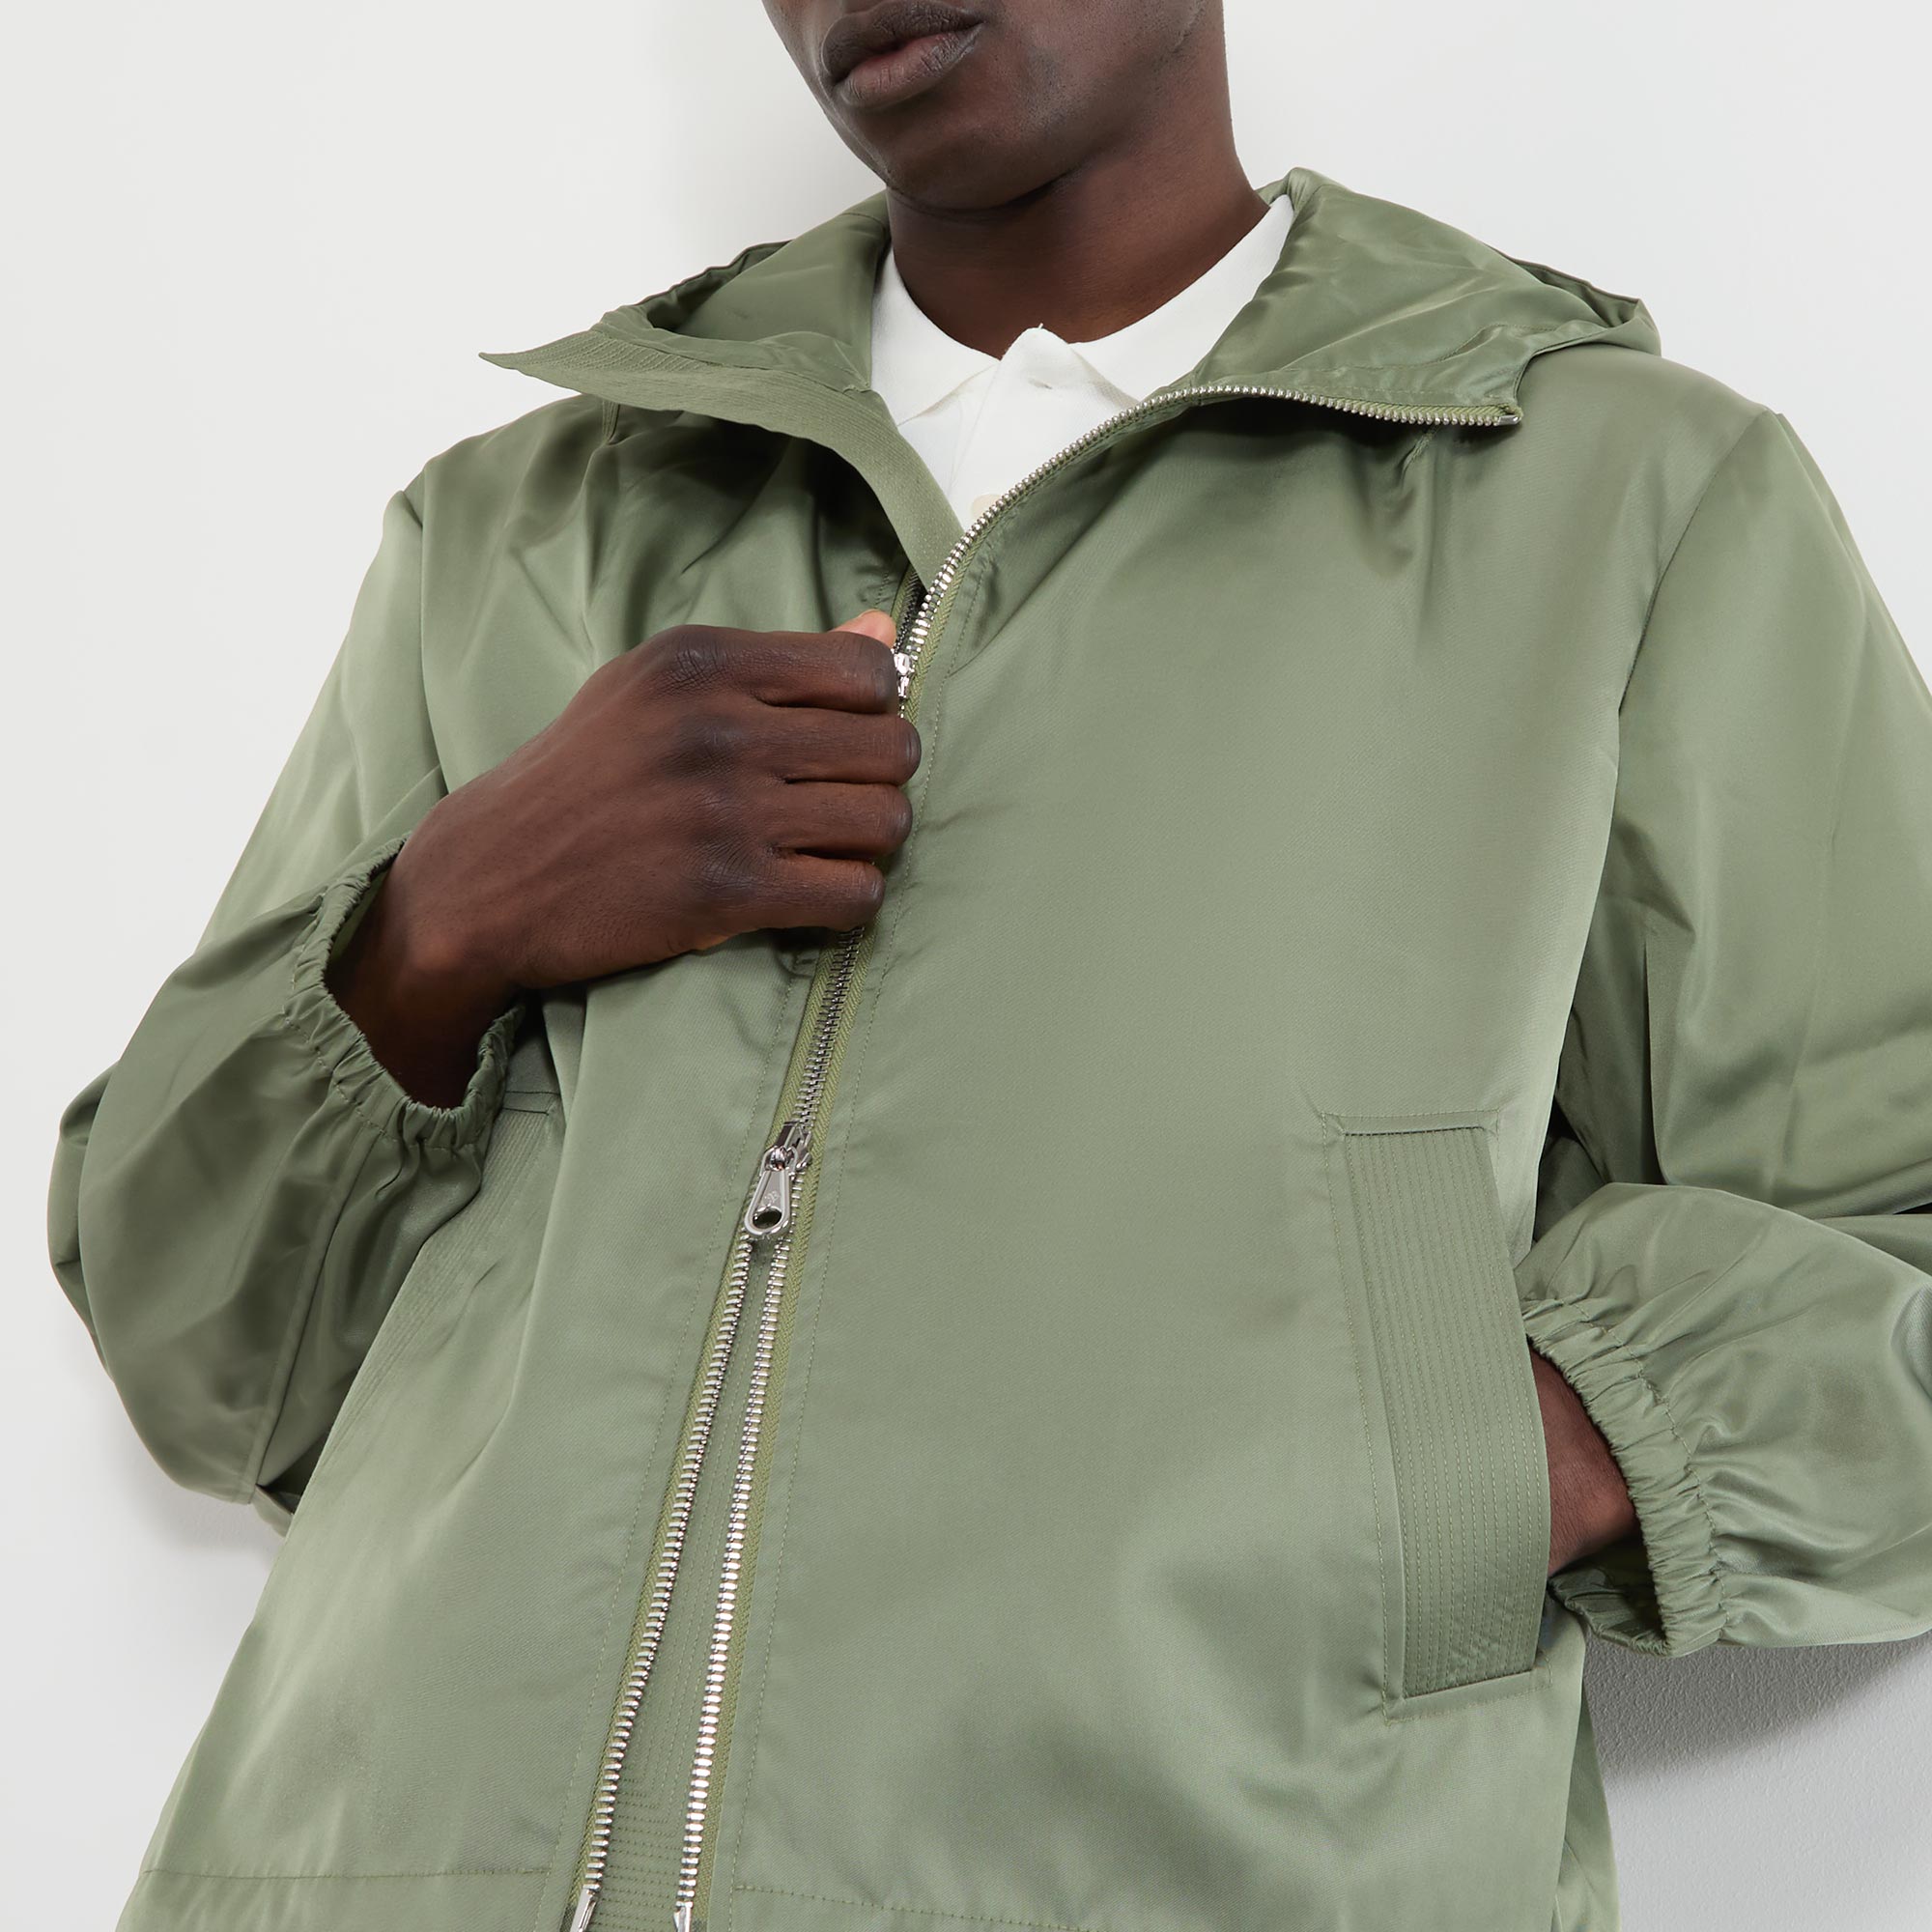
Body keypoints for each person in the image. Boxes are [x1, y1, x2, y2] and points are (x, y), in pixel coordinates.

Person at [46, 1, 1932, 1928]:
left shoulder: (1616, 495)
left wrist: (1428, 1470)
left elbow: (1900, 1238)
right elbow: (201, 1345)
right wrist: (442, 918)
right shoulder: (521, 529)